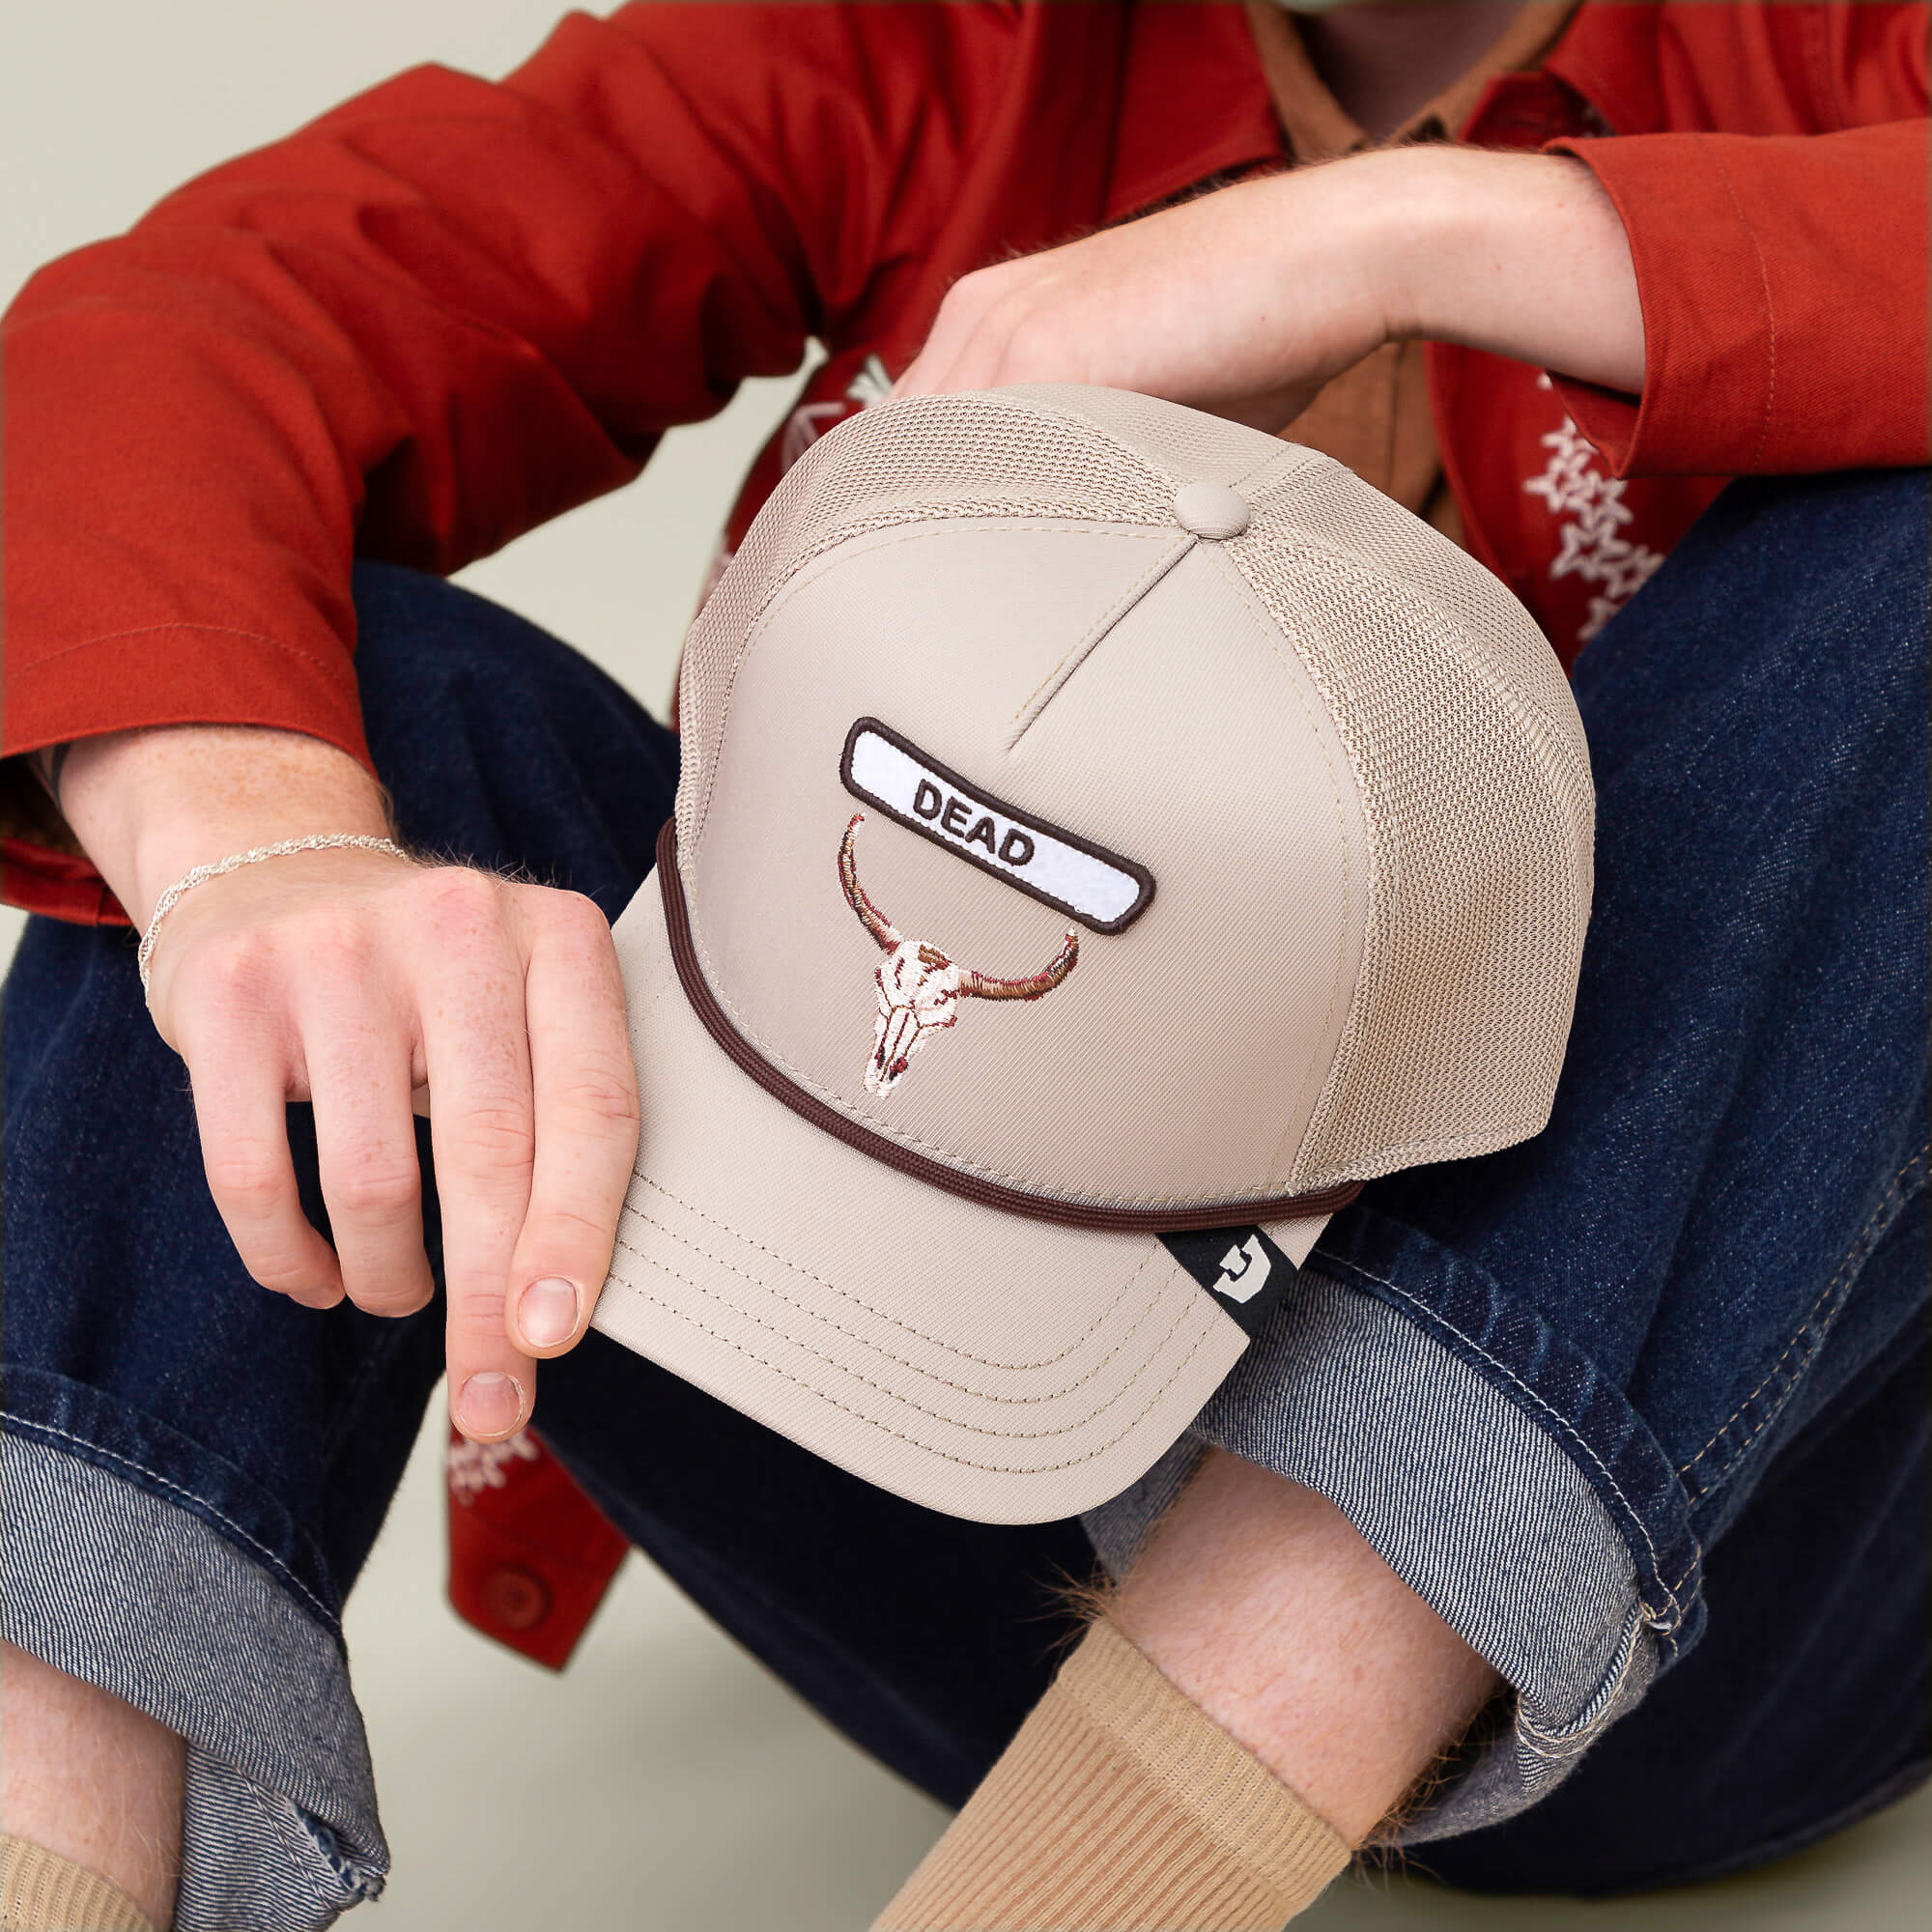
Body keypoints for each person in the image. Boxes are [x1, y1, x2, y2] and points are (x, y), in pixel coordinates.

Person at [1, 3, 1924, 1927]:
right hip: (936, 1475)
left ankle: (1125, 1844)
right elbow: (170, 344)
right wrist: (258, 855)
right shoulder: (934, 39)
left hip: (1692, 1589)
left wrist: (1401, 235)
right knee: (278, 704)